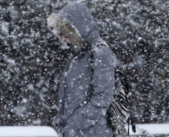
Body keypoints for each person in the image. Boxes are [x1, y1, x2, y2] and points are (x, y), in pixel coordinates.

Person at [47, 2, 117, 137]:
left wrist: (75, 124)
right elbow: (68, 97)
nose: (64, 39)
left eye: (66, 33)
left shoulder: (100, 52)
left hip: (93, 132)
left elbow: (102, 99)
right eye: (61, 34)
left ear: (78, 30)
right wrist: (61, 122)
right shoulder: (76, 56)